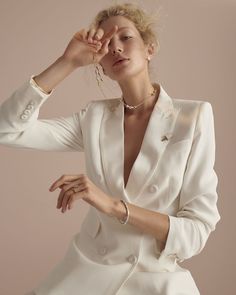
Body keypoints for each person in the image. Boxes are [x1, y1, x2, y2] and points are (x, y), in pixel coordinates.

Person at [0, 2, 221, 295]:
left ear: (149, 48)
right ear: (100, 67)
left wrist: (112, 206)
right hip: (86, 273)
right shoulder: (94, 118)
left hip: (156, 279)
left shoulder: (193, 118)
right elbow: (8, 129)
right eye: (106, 45)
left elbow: (195, 233)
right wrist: (67, 62)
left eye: (126, 37)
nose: (115, 48)